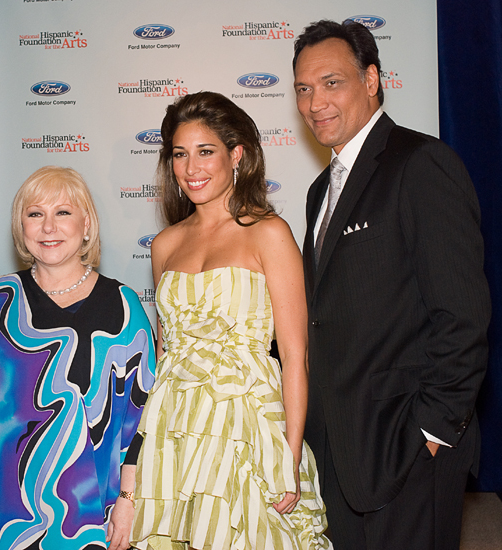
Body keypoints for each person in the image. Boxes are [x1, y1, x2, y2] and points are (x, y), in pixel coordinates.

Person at [292, 20, 491, 549]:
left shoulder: (422, 164)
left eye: (332, 83)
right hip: (338, 450)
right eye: (304, 89)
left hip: (405, 447)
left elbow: (463, 315)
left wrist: (429, 433)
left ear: (372, 79)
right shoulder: (319, 192)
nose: (315, 103)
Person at [130, 91, 332, 549]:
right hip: (176, 423)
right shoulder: (164, 244)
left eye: (206, 152)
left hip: (247, 422)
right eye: (179, 154)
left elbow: (296, 357)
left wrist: (291, 450)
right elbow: (166, 354)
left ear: (236, 154)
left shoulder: (269, 233)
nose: (191, 167)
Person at [0, 165, 156, 550]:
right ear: (21, 228)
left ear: (86, 224)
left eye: (63, 212)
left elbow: (142, 418)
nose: (48, 227)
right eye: (35, 214)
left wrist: (128, 500)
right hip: (10, 514)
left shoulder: (123, 307)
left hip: (95, 512)